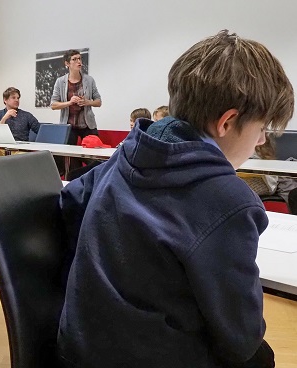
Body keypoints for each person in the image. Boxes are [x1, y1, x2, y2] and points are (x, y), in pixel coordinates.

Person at [58, 30, 293, 368]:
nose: (260, 142)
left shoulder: (129, 151)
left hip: (78, 343)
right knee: (260, 356)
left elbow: (70, 205)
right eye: (262, 129)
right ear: (227, 122)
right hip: (150, 356)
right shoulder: (230, 201)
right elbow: (241, 336)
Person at [50, 49, 102, 171]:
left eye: (79, 58)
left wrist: (87, 102)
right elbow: (53, 105)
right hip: (68, 126)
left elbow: (98, 102)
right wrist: (70, 102)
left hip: (87, 124)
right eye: (74, 59)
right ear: (67, 63)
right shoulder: (60, 81)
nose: (78, 61)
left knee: (95, 158)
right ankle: (74, 182)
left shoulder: (89, 80)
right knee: (71, 159)